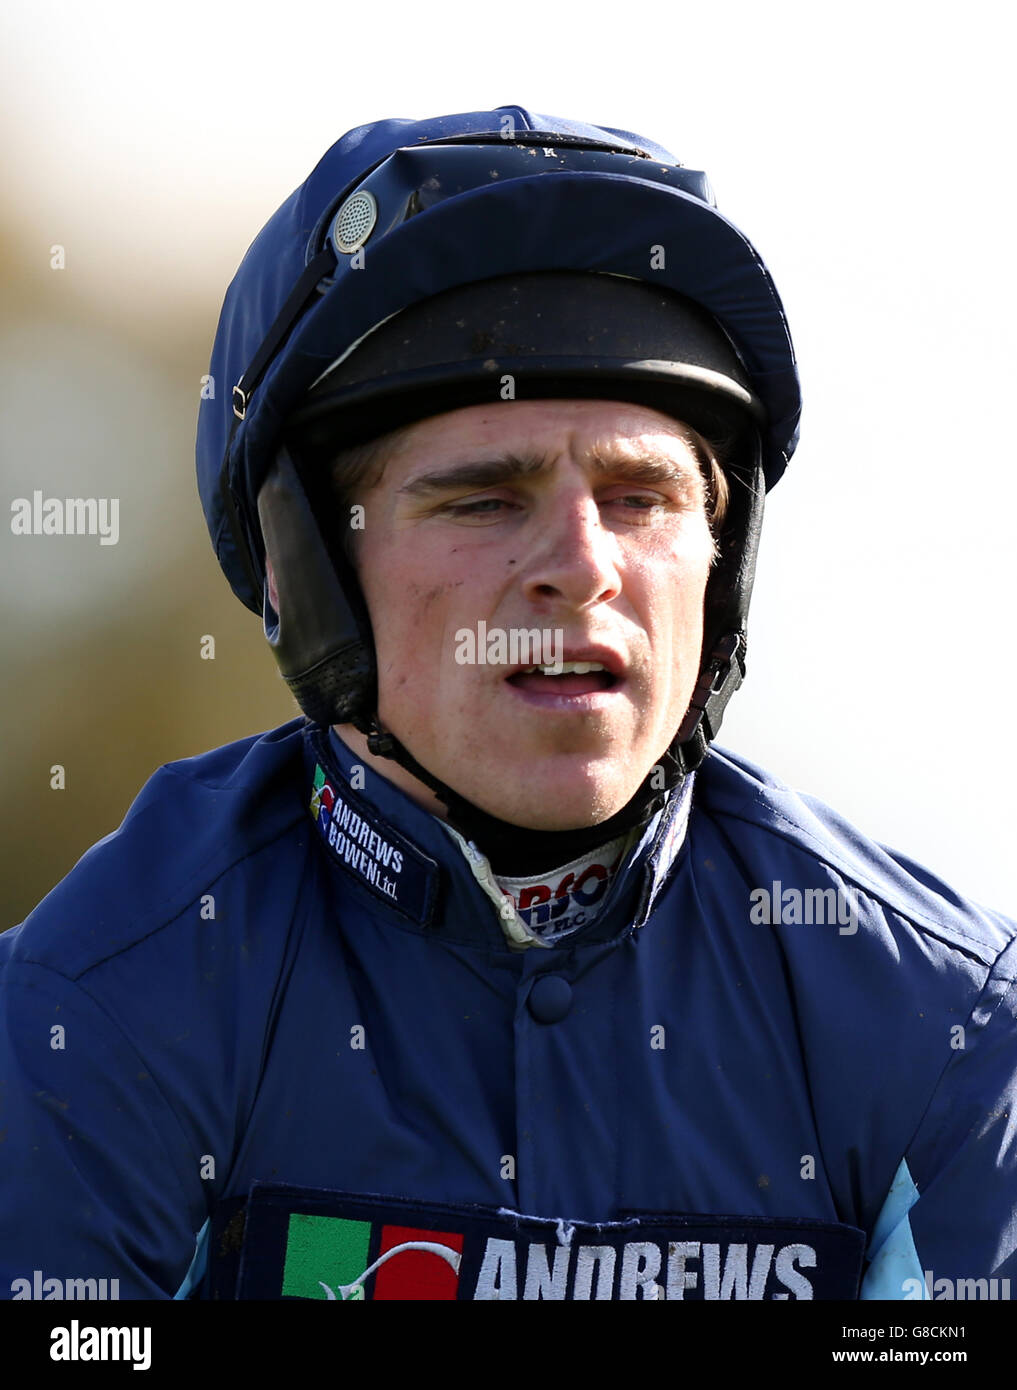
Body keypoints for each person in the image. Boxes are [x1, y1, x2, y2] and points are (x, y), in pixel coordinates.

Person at [2, 105, 1015, 1304]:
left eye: (642, 496)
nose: (583, 564)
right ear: (304, 576)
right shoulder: (94, 1010)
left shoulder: (945, 1021)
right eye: (484, 498)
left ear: (723, 565)